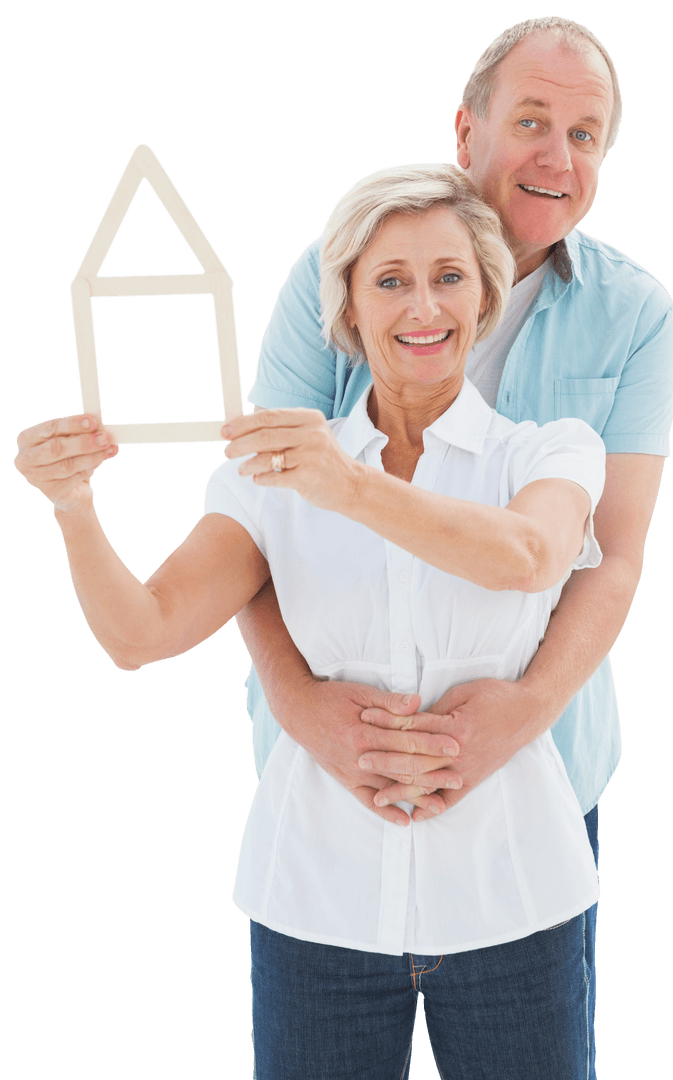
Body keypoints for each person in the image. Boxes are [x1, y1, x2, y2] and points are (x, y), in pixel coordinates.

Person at [15, 163, 607, 1078]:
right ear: (348, 310)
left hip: (513, 902)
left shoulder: (551, 451)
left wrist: (351, 485)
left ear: (486, 294)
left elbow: (527, 555)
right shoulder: (273, 475)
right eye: (390, 280)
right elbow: (140, 634)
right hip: (316, 911)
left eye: (449, 276)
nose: (423, 306)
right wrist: (72, 507)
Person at [236, 15, 673, 1070]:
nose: (556, 157)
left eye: (586, 135)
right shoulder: (330, 272)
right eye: (531, 120)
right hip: (326, 777)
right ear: (465, 128)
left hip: (541, 776)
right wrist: (303, 706)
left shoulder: (636, 316)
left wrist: (518, 719)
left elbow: (611, 557)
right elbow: (252, 514)